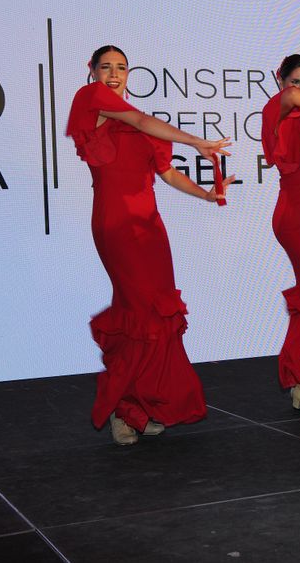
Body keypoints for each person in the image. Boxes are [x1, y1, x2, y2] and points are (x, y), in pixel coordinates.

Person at [67, 45, 234, 446]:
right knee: (139, 312)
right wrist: (196, 141)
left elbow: (167, 173)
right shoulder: (91, 99)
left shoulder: (141, 122)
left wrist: (207, 194)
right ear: (91, 70)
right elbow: (140, 120)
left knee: (152, 315)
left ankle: (137, 408)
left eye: (121, 68)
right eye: (105, 67)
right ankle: (123, 408)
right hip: (116, 224)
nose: (113, 74)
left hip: (150, 228)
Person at [261, 54, 300, 413]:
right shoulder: (278, 107)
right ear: (280, 81)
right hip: (298, 217)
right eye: (295, 81)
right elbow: (291, 98)